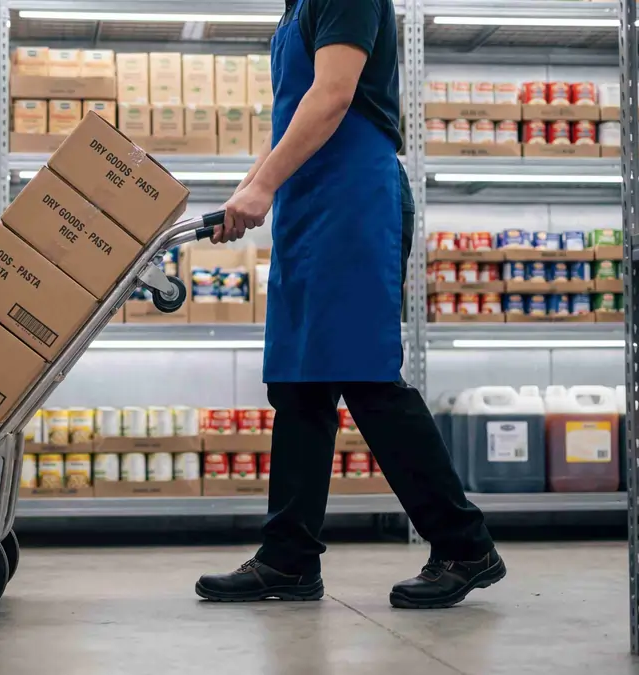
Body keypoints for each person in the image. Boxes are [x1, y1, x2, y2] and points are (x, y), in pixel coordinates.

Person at [194, 0, 504, 610]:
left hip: (353, 199)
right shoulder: (294, 10)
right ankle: (288, 560)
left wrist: (263, 185)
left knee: (365, 377)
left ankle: (464, 546)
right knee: (299, 386)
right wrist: (250, 185)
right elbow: (293, 114)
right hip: (310, 204)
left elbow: (333, 95)